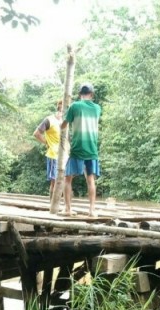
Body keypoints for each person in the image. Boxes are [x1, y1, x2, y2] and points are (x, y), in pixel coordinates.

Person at [60, 83, 102, 217]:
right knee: (90, 180)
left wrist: (64, 117)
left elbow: (64, 125)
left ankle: (67, 209)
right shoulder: (97, 108)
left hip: (78, 148)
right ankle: (92, 210)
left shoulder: (75, 106)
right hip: (92, 148)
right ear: (92, 94)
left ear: (79, 94)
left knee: (67, 178)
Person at [33, 100, 63, 198]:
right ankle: (52, 205)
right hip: (53, 154)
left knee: (62, 182)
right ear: (59, 106)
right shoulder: (49, 120)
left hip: (63, 155)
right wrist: (47, 143)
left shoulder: (65, 121)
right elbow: (36, 134)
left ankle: (59, 204)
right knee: (54, 182)